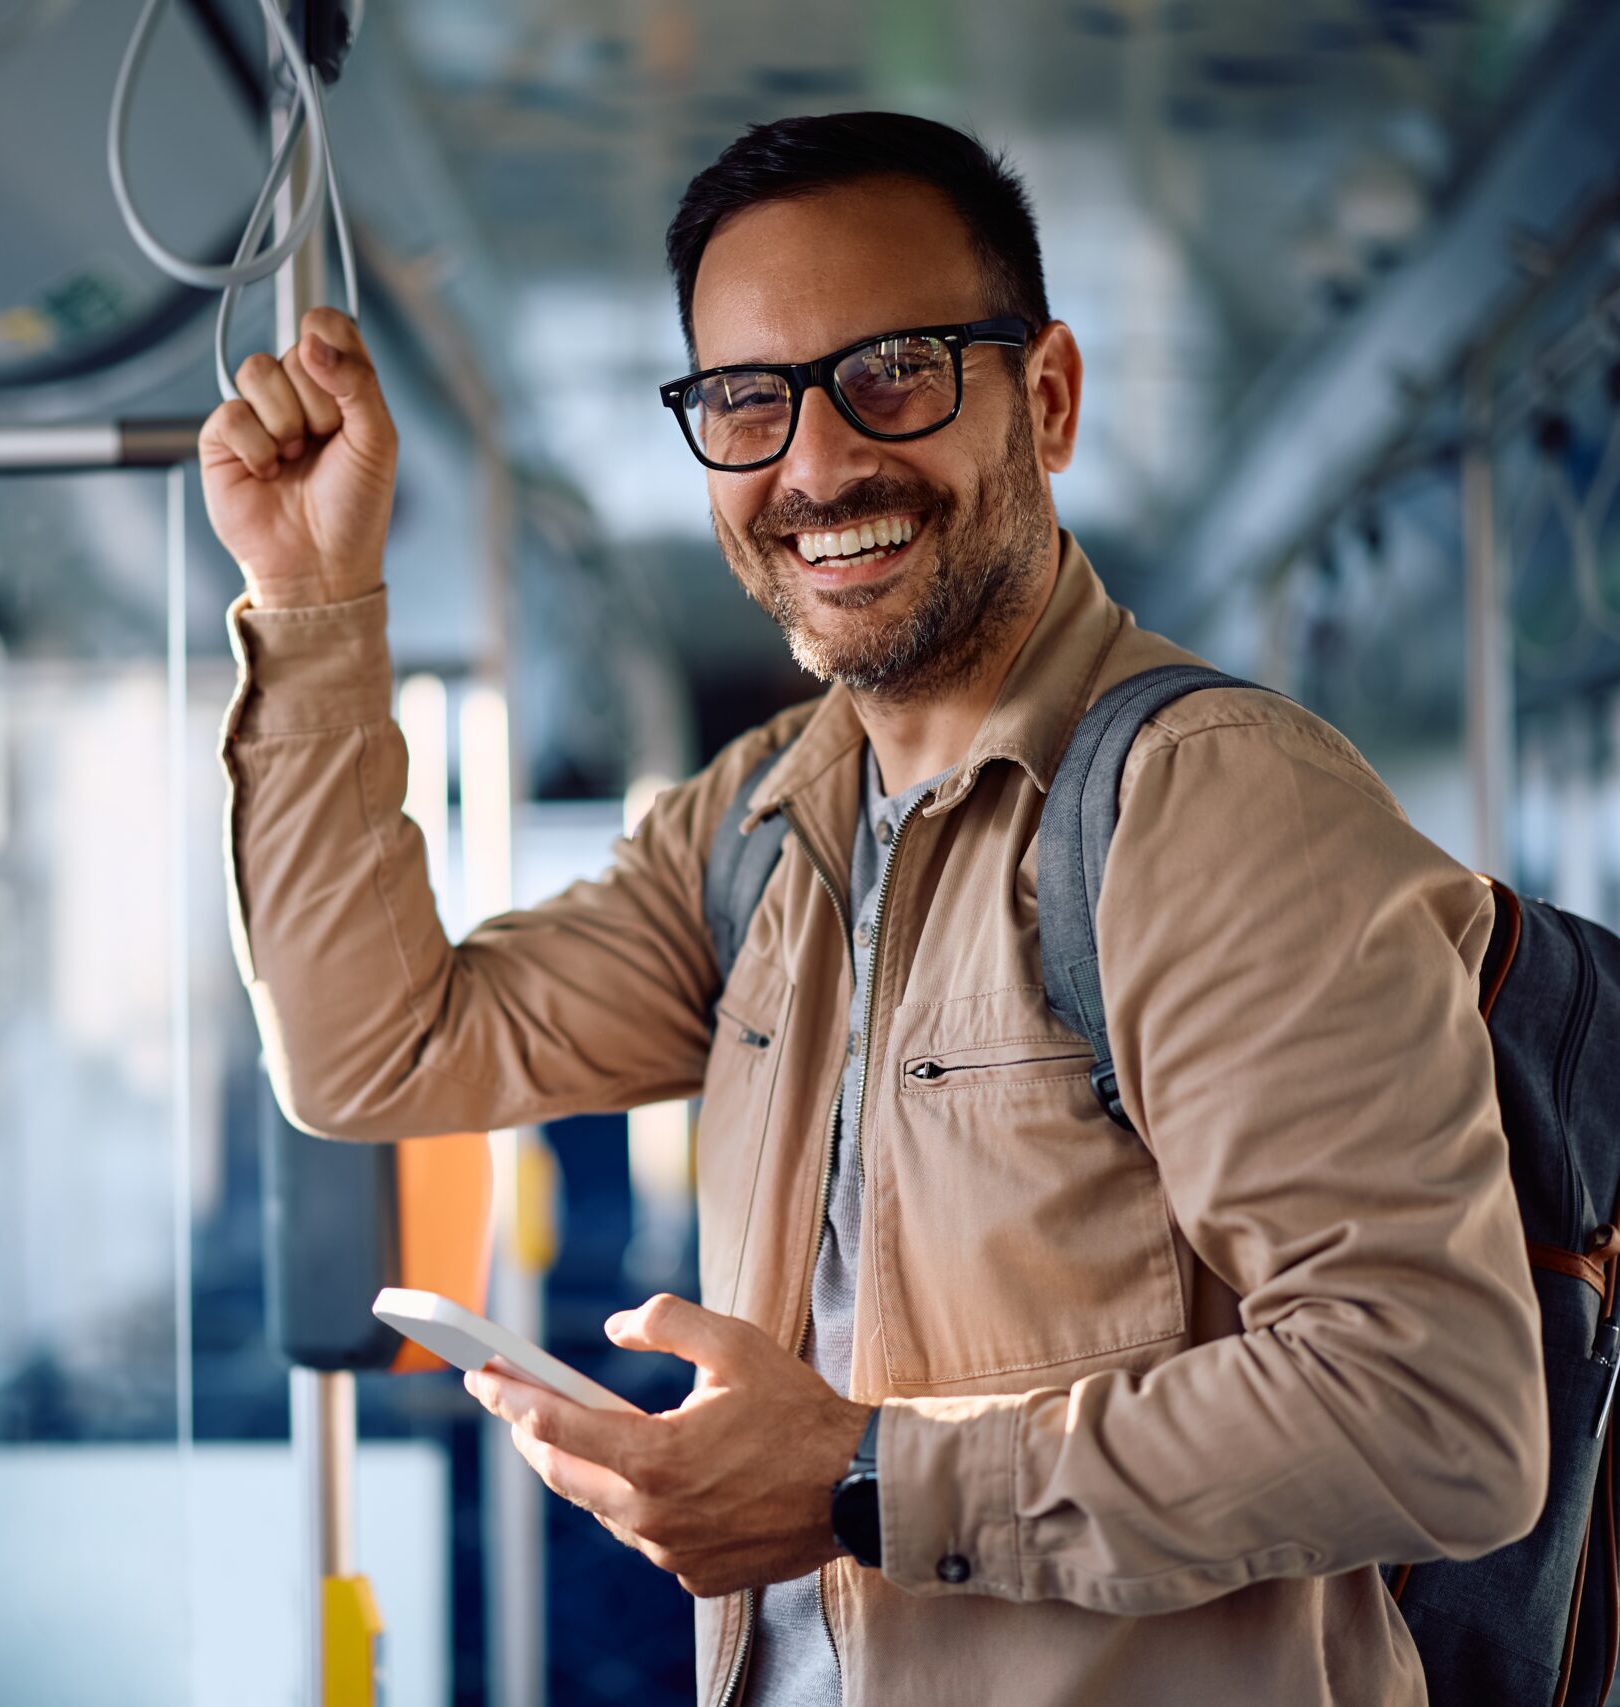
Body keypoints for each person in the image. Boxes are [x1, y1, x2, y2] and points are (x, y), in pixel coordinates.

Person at [199, 111, 1547, 1707]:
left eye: (894, 369)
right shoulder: (766, 823)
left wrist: (865, 1482)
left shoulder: (1211, 803)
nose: (817, 464)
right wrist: (311, 600)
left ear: (1042, 398)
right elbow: (376, 1055)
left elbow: (1439, 1418)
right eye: (747, 402)